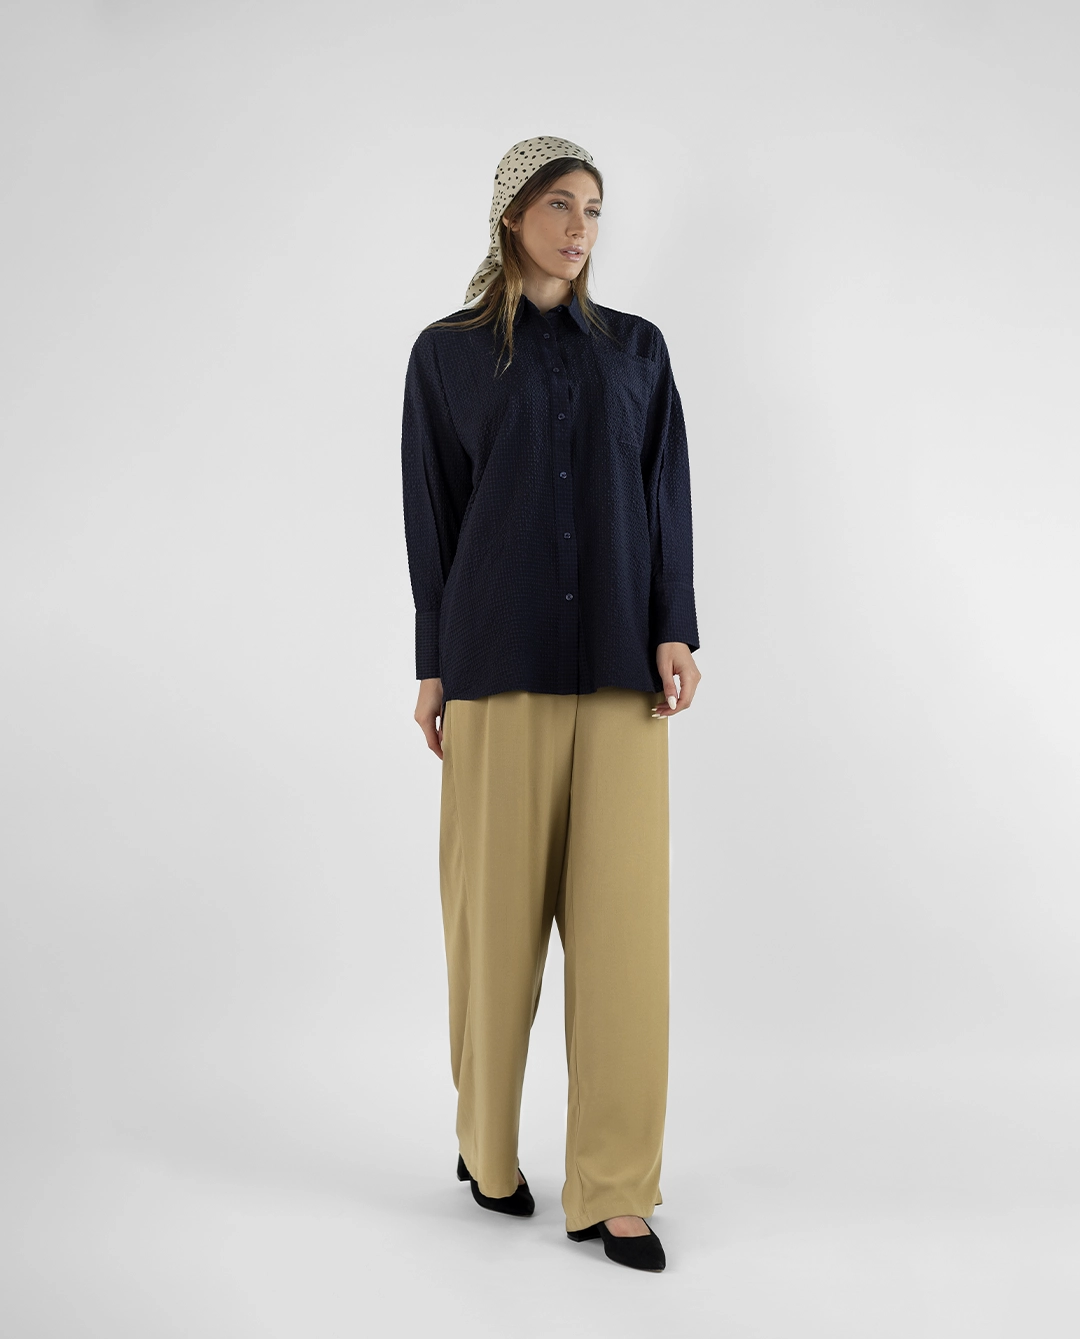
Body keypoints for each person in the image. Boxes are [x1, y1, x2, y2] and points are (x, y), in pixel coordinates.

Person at [399, 135, 701, 1273]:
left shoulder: (638, 351)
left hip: (622, 671)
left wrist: (673, 623)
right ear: (511, 215)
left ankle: (614, 1187)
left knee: (625, 939)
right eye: (560, 204)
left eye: (594, 209)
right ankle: (487, 1150)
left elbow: (665, 489)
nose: (580, 227)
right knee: (493, 928)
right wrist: (434, 663)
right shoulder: (446, 356)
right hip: (496, 665)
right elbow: (433, 514)